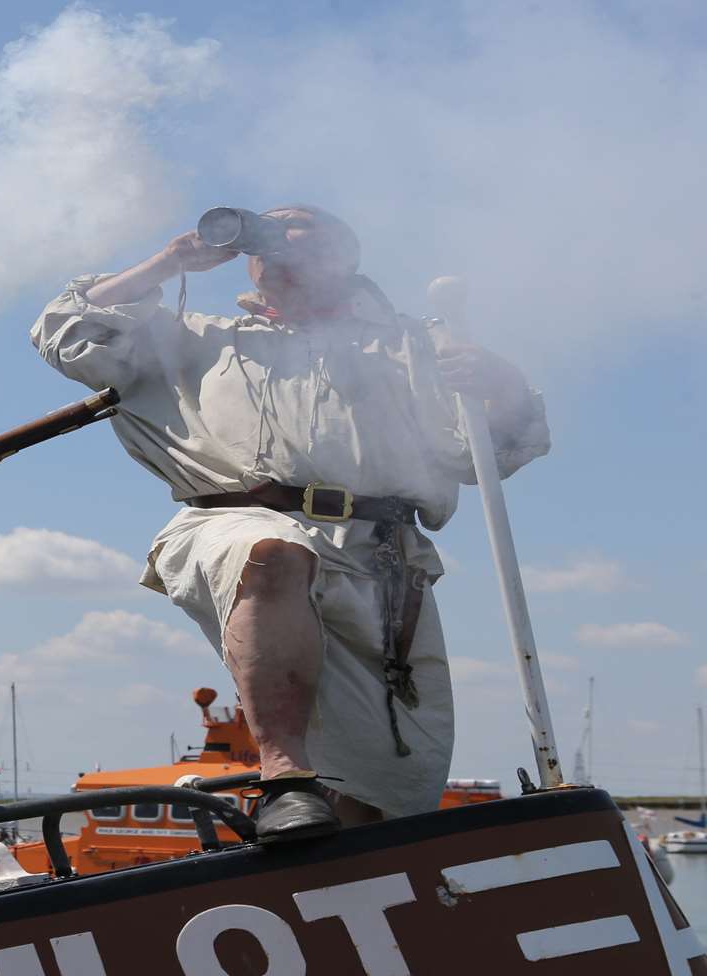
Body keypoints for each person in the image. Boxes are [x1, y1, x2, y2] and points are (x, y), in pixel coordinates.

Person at [30, 206, 550, 838]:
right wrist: (170, 262)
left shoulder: (414, 345)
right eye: (266, 228)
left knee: (383, 779)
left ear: (345, 254)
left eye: (298, 224)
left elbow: (482, 458)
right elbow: (67, 330)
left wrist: (505, 385)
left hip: (381, 558)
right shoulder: (193, 339)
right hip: (231, 520)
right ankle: (284, 779)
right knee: (272, 549)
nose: (277, 235)